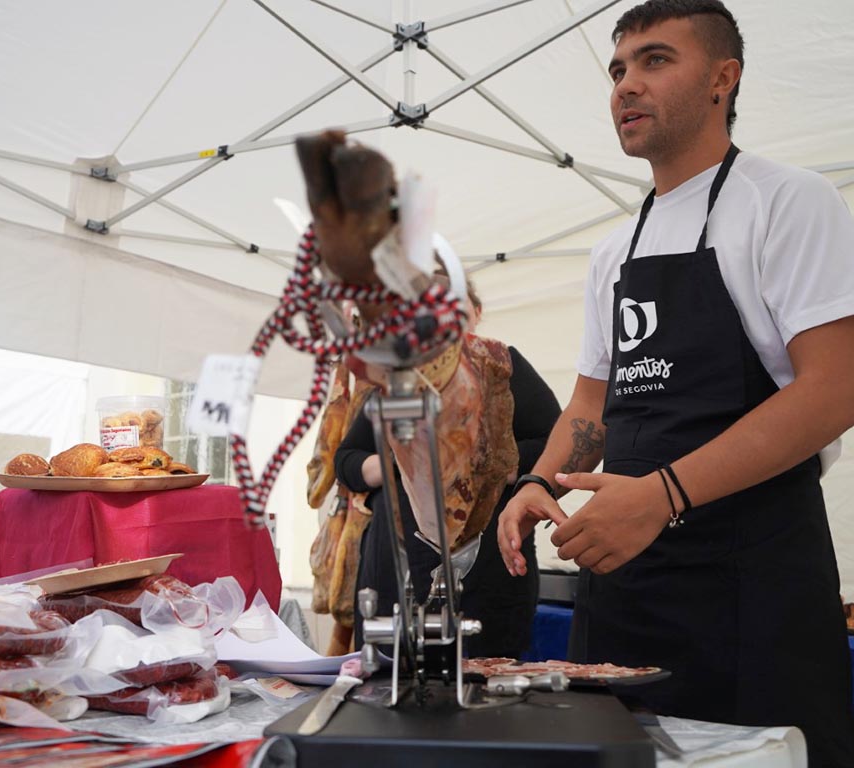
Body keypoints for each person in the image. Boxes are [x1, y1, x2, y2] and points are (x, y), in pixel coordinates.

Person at [496, 1, 854, 764]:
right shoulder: (612, 251)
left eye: (655, 61)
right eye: (619, 69)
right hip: (623, 593)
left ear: (724, 79)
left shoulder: (788, 201)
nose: (626, 84)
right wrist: (540, 482)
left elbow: (833, 390)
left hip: (751, 586)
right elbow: (592, 403)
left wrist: (660, 496)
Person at [337, 284, 561, 658]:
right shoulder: (398, 375)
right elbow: (346, 461)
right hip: (398, 563)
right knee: (391, 690)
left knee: (483, 683)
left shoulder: (504, 365)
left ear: (475, 312)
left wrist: (483, 462)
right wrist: (402, 461)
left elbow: (555, 442)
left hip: (487, 565)